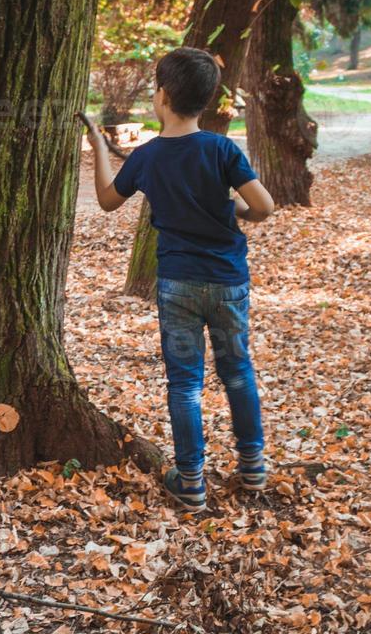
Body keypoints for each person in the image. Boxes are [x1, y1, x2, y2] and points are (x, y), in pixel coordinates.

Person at [84, 46, 275, 511]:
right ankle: (252, 467)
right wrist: (234, 207)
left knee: (185, 384)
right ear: (205, 100)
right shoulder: (221, 149)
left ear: (163, 95)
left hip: (178, 285)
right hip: (228, 282)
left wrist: (97, 148)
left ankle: (190, 480)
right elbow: (264, 207)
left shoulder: (149, 157)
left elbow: (109, 200)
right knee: (237, 371)